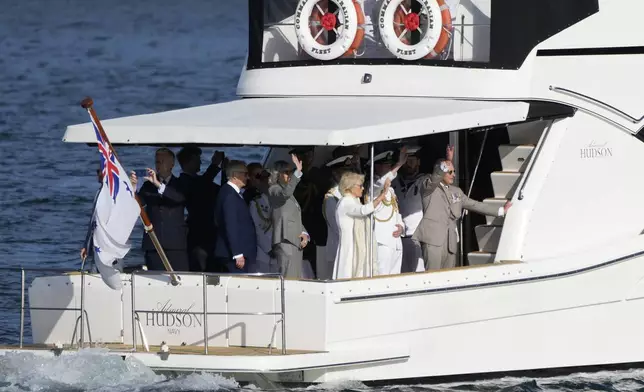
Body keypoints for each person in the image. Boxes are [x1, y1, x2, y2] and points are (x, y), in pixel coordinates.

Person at [412, 159, 511, 270]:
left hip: (450, 243)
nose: (453, 175)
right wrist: (443, 166)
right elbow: (434, 179)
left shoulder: (456, 191)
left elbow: (475, 205)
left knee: (448, 278)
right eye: (450, 172)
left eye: (454, 172)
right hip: (433, 241)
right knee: (432, 277)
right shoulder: (428, 187)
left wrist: (501, 210)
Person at [394, 145, 454, 272]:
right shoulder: (394, 181)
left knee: (418, 274)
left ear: (419, 162)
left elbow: (434, 181)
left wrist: (447, 163)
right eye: (407, 160)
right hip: (398, 237)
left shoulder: (423, 180)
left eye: (413, 160)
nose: (409, 164)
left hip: (417, 238)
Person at [130, 148, 189, 272]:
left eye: (161, 162)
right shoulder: (147, 186)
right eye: (157, 162)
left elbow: (179, 198)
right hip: (153, 243)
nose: (158, 165)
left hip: (175, 244)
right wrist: (133, 189)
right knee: (155, 278)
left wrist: (158, 185)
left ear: (171, 165)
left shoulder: (180, 183)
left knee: (181, 277)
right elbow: (137, 207)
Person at [333, 172, 390, 280]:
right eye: (360, 186)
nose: (363, 188)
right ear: (349, 187)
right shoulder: (346, 201)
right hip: (350, 245)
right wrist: (382, 196)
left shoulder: (354, 201)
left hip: (357, 244)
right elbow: (363, 210)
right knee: (349, 272)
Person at [176, 146, 224, 272]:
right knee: (200, 268)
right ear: (189, 162)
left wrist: (224, 170)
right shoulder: (183, 181)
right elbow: (200, 187)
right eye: (197, 159)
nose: (200, 162)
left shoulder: (199, 180)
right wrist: (214, 165)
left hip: (212, 232)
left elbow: (220, 191)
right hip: (198, 234)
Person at [268, 154, 309, 278]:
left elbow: (293, 217)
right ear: (277, 174)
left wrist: (304, 233)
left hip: (294, 241)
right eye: (286, 172)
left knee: (295, 277)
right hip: (285, 240)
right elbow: (285, 193)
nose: (290, 174)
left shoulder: (289, 194)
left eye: (291, 172)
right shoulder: (274, 190)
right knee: (288, 278)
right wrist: (298, 173)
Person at [368, 148, 407, 276]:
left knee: (395, 278)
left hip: (395, 242)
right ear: (377, 167)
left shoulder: (390, 190)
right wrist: (399, 165)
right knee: (382, 277)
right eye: (387, 165)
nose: (390, 168)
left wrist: (401, 227)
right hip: (382, 242)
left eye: (391, 165)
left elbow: (396, 213)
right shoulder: (372, 186)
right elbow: (381, 181)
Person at [213, 160, 257, 273]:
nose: (248, 177)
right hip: (233, 255)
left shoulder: (230, 192)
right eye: (245, 174)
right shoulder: (230, 195)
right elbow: (230, 225)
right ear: (235, 175)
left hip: (235, 253)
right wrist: (237, 253)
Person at [321, 152, 354, 280]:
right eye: (345, 172)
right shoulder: (331, 198)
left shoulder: (350, 195)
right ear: (336, 174)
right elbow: (338, 227)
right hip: (338, 251)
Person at [249, 169, 273, 273]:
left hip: (279, 252)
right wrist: (269, 249)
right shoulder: (256, 203)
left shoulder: (280, 203)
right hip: (263, 254)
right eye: (265, 181)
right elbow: (256, 229)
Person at [80, 167, 104, 270]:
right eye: (97, 171)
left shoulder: (113, 194)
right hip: (96, 244)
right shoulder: (98, 192)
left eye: (100, 171)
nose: (98, 174)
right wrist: (86, 245)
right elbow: (92, 221)